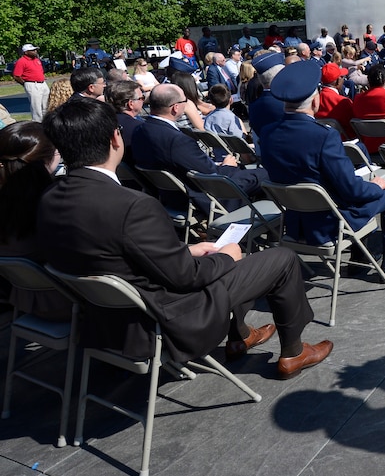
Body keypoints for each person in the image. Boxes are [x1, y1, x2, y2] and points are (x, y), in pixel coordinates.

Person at [39, 97, 332, 377]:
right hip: (168, 316)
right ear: (115, 139)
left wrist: (185, 250)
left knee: (221, 257)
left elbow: (114, 253)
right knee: (280, 258)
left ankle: (239, 335)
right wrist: (224, 257)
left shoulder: (50, 197)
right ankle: (294, 352)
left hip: (108, 319)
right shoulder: (132, 205)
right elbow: (185, 278)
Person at [260, 61, 385, 278]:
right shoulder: (323, 136)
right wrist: (376, 186)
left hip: (295, 222)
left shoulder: (268, 132)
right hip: (331, 222)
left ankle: (360, 256)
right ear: (315, 101)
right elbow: (353, 191)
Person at [131, 83, 268, 216]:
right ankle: (268, 228)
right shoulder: (177, 140)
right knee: (266, 174)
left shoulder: (140, 130)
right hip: (203, 196)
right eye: (185, 100)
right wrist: (227, 166)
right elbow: (210, 173)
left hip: (168, 194)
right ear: (175, 108)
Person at [0, 121, 69, 321]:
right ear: (45, 158)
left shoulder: (14, 204)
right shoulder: (56, 205)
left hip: (18, 299)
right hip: (65, 303)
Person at [105, 80, 146, 159]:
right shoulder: (139, 128)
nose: (143, 101)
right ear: (131, 104)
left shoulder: (103, 123)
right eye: (142, 98)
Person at [316, 63, 354, 139]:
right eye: (343, 77)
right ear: (338, 80)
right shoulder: (343, 102)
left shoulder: (314, 100)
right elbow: (353, 127)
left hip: (320, 139)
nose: (343, 80)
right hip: (343, 142)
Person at [12, 44, 48, 122]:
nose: (35, 51)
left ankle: (47, 122)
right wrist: (25, 84)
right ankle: (37, 124)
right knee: (36, 107)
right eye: (32, 50)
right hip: (32, 84)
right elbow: (16, 76)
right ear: (26, 52)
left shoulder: (37, 60)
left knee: (46, 105)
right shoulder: (21, 61)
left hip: (43, 83)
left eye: (35, 50)